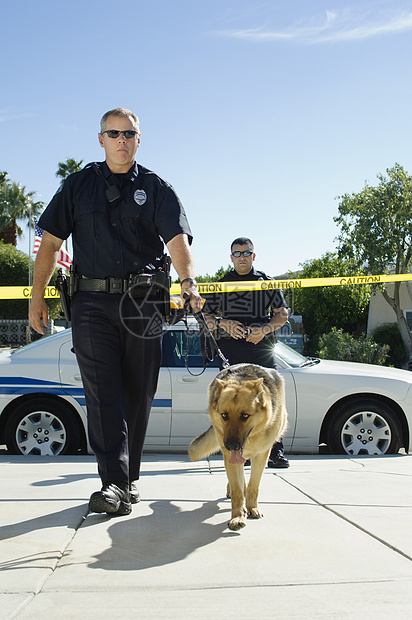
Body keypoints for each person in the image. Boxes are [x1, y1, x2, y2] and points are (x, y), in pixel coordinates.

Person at [29, 107, 203, 515]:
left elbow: (177, 240)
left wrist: (188, 282)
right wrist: (37, 297)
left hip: (143, 302)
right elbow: (51, 243)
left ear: (139, 140)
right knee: (102, 393)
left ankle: (129, 478)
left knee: (138, 392)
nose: (122, 140)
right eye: (114, 133)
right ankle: (113, 484)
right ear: (101, 139)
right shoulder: (78, 186)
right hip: (90, 302)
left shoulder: (156, 187)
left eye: (129, 134)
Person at [203, 237, 290, 468]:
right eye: (237, 253)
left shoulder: (267, 282)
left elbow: (282, 314)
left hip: (262, 348)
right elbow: (206, 318)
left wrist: (264, 329)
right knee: (231, 406)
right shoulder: (220, 284)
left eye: (246, 252)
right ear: (231, 257)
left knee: (271, 400)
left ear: (254, 255)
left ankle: (275, 451)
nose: (242, 257)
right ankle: (235, 452)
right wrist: (224, 323)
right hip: (230, 351)